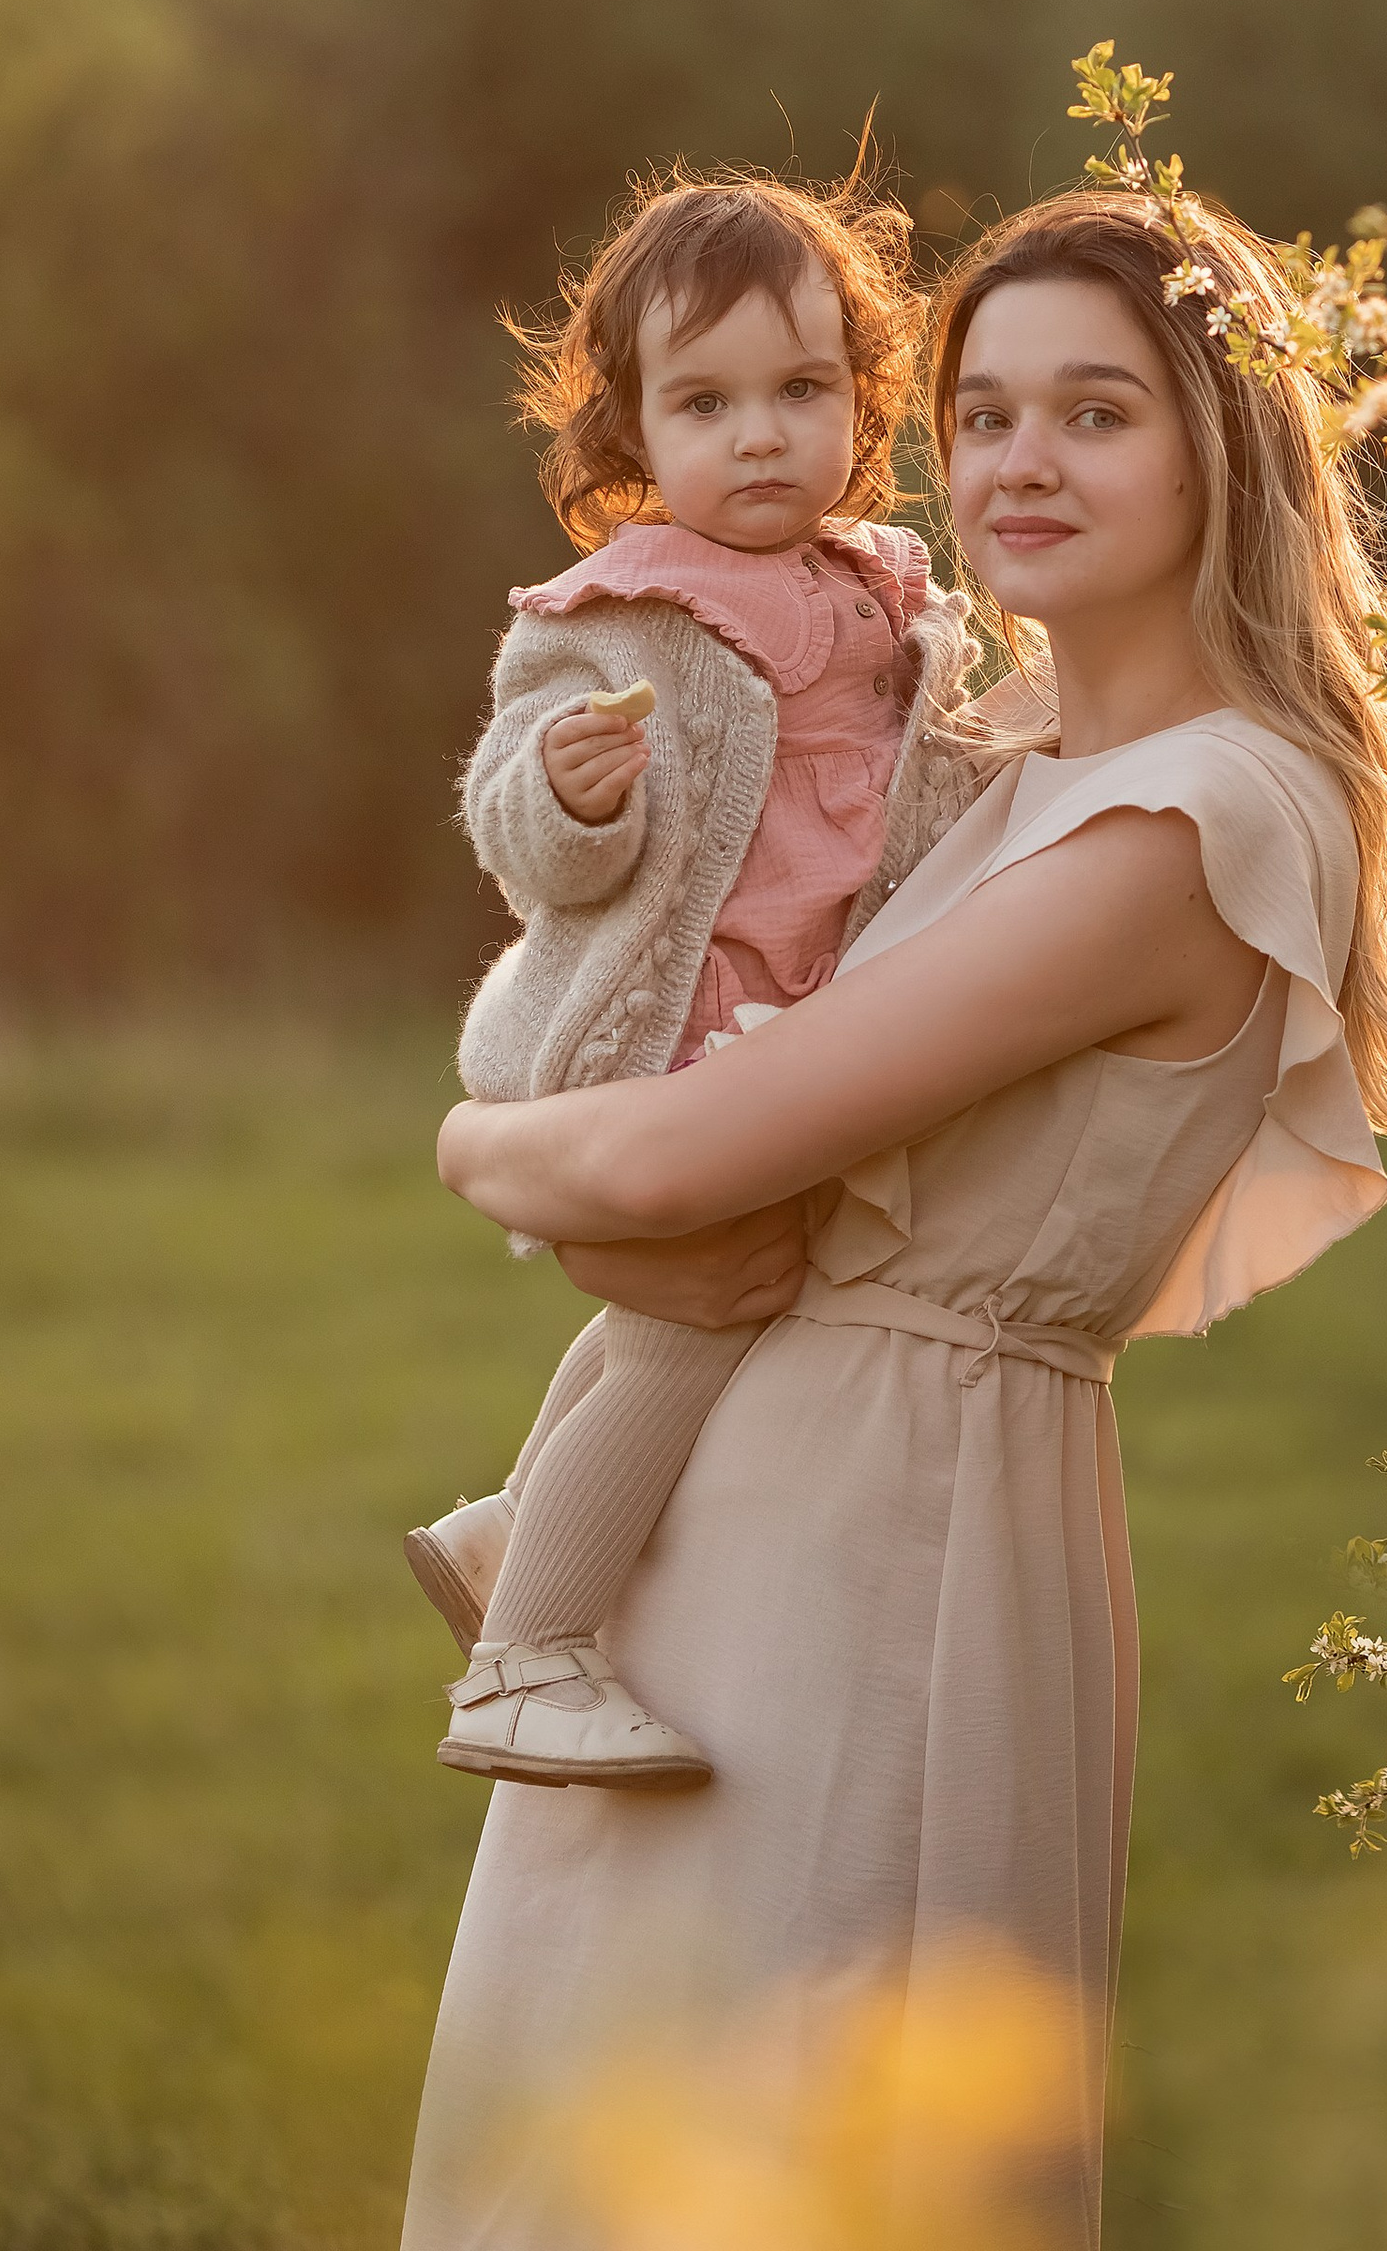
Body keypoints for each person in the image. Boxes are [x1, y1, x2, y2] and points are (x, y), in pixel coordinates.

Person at [404, 180, 1387, 2250]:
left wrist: (483, 1157)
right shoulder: (987, 766)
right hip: (731, 1518)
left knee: (801, 2142)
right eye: (984, 413)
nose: (1017, 461)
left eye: (1095, 413)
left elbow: (663, 1163)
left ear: (1220, 446)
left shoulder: (1195, 816)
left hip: (885, 1539)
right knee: (598, 2141)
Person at [412, 167, 999, 1787]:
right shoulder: (622, 612)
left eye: (802, 391)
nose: (760, 436)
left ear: (864, 407)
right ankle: (524, 1657)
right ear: (633, 436)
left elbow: (928, 784)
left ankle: (504, 1537)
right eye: (707, 401)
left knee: (702, 1308)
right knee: (694, 1326)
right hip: (665, 1039)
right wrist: (571, 795)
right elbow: (514, 815)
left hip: (799, 1028)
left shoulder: (888, 597)